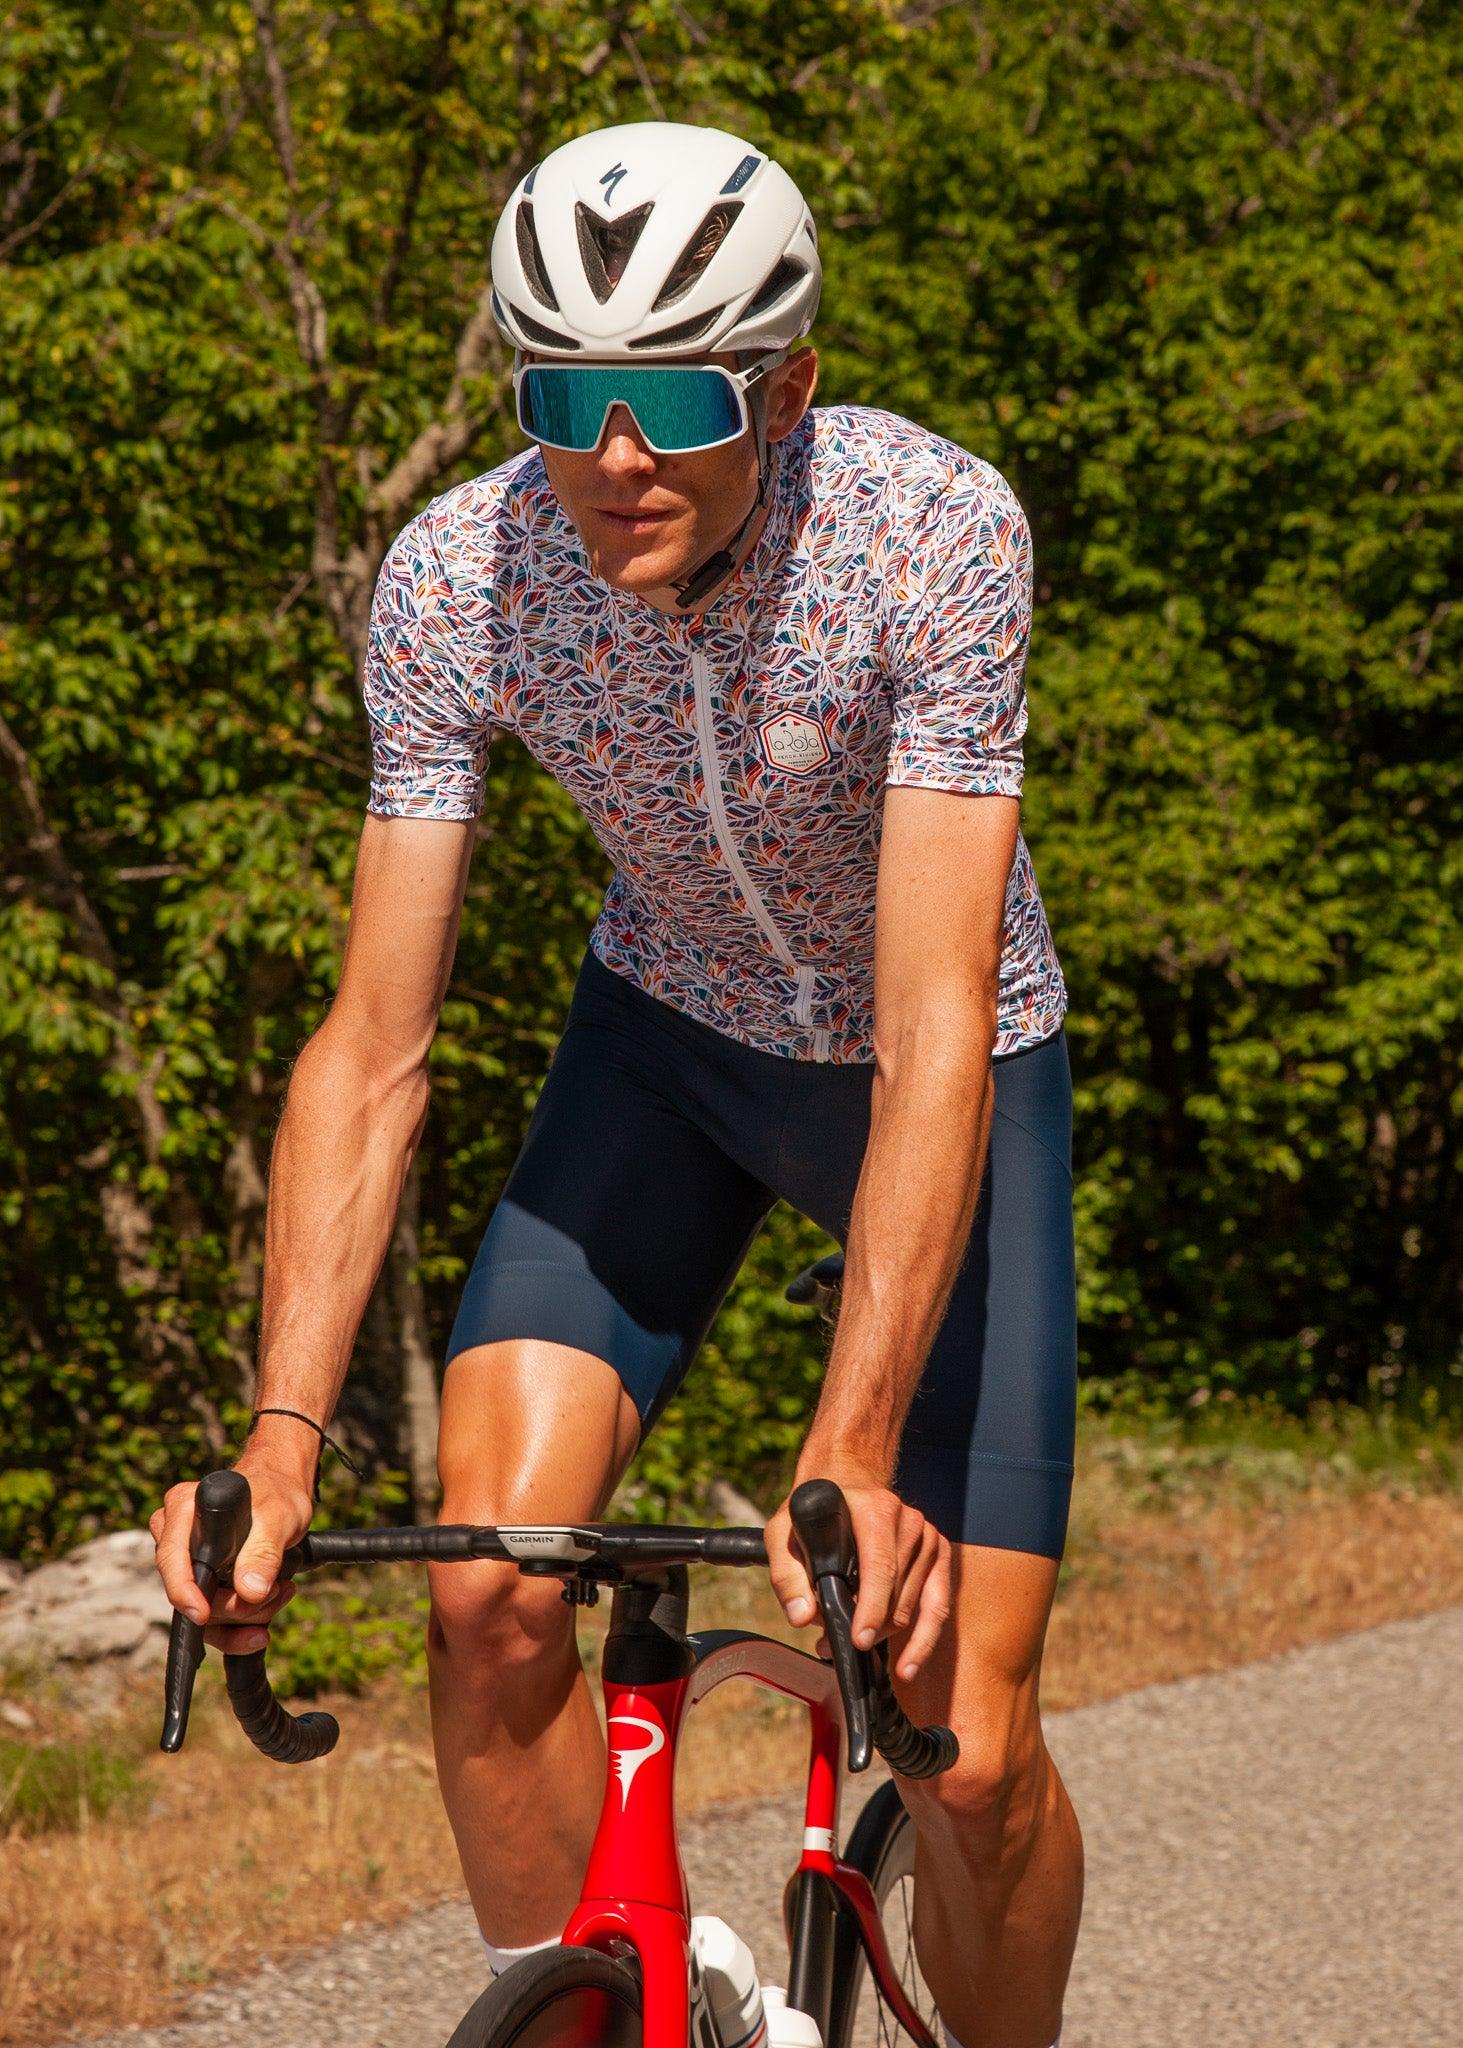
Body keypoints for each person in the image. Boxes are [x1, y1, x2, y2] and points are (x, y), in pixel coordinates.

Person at [151, 120, 1081, 2048]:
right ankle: (642, 1996)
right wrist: (282, 1437)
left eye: (676, 393)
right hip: (661, 1057)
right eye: (567, 392)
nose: (618, 453)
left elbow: (928, 1029)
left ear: (791, 385)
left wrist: (851, 1446)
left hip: (941, 1079)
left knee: (968, 1753)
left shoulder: (936, 532)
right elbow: (373, 1045)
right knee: (490, 1590)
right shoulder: (460, 574)